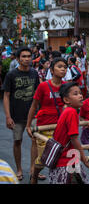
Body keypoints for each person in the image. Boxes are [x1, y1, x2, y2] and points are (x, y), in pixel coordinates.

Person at [26, 57, 68, 184]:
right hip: (44, 126)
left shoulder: (67, 86)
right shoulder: (43, 86)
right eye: (60, 66)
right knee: (44, 158)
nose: (63, 69)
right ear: (51, 70)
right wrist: (28, 125)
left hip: (62, 126)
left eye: (65, 67)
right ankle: (34, 175)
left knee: (62, 157)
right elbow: (34, 106)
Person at [2, 47, 40, 182]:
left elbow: (38, 94)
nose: (27, 59)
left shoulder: (34, 73)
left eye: (29, 56)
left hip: (34, 115)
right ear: (18, 59)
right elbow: (6, 96)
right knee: (17, 141)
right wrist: (7, 116)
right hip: (16, 115)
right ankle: (18, 169)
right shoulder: (11, 75)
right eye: (23, 56)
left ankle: (33, 169)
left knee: (35, 141)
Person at [48, 82, 89, 184]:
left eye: (80, 93)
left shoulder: (67, 110)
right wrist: (84, 159)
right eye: (75, 94)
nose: (81, 96)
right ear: (66, 100)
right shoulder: (71, 112)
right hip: (66, 161)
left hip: (68, 159)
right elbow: (74, 139)